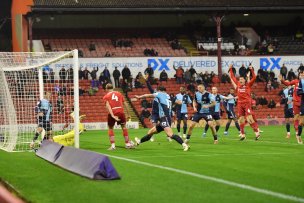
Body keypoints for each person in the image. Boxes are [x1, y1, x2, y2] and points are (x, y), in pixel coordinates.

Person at [133, 86, 189, 151]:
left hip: (164, 118)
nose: (156, 92)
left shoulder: (160, 94)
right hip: (166, 118)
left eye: (157, 91)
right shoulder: (169, 97)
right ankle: (139, 142)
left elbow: (149, 95)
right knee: (150, 132)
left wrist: (139, 97)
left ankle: (184, 145)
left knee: (170, 134)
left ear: (160, 90)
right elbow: (179, 102)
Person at [229, 64, 260, 140]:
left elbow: (254, 77)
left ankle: (257, 132)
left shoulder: (248, 85)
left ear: (245, 80)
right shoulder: (238, 84)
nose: (240, 80)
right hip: (240, 104)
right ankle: (242, 134)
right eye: (240, 79)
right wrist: (230, 69)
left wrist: (251, 69)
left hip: (246, 103)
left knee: (249, 118)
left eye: (242, 79)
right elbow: (232, 77)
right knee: (241, 120)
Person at [103, 84, 134, 150]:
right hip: (121, 112)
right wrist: (128, 114)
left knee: (110, 128)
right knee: (124, 127)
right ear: (113, 88)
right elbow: (125, 103)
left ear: (106, 89)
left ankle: (113, 146)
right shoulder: (119, 94)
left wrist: (112, 115)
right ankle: (127, 144)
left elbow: (108, 106)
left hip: (113, 112)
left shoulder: (106, 96)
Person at [279, 73, 301, 140]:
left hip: (292, 106)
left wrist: (291, 101)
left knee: (296, 119)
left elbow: (295, 96)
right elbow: (282, 99)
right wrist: (285, 101)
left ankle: (297, 133)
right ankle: (288, 133)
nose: (288, 83)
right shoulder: (284, 91)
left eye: (288, 82)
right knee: (287, 120)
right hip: (286, 107)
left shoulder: (293, 89)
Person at [296, 74, 304, 144]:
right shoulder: (301, 82)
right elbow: (298, 92)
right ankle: (298, 135)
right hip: (303, 103)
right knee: (301, 122)